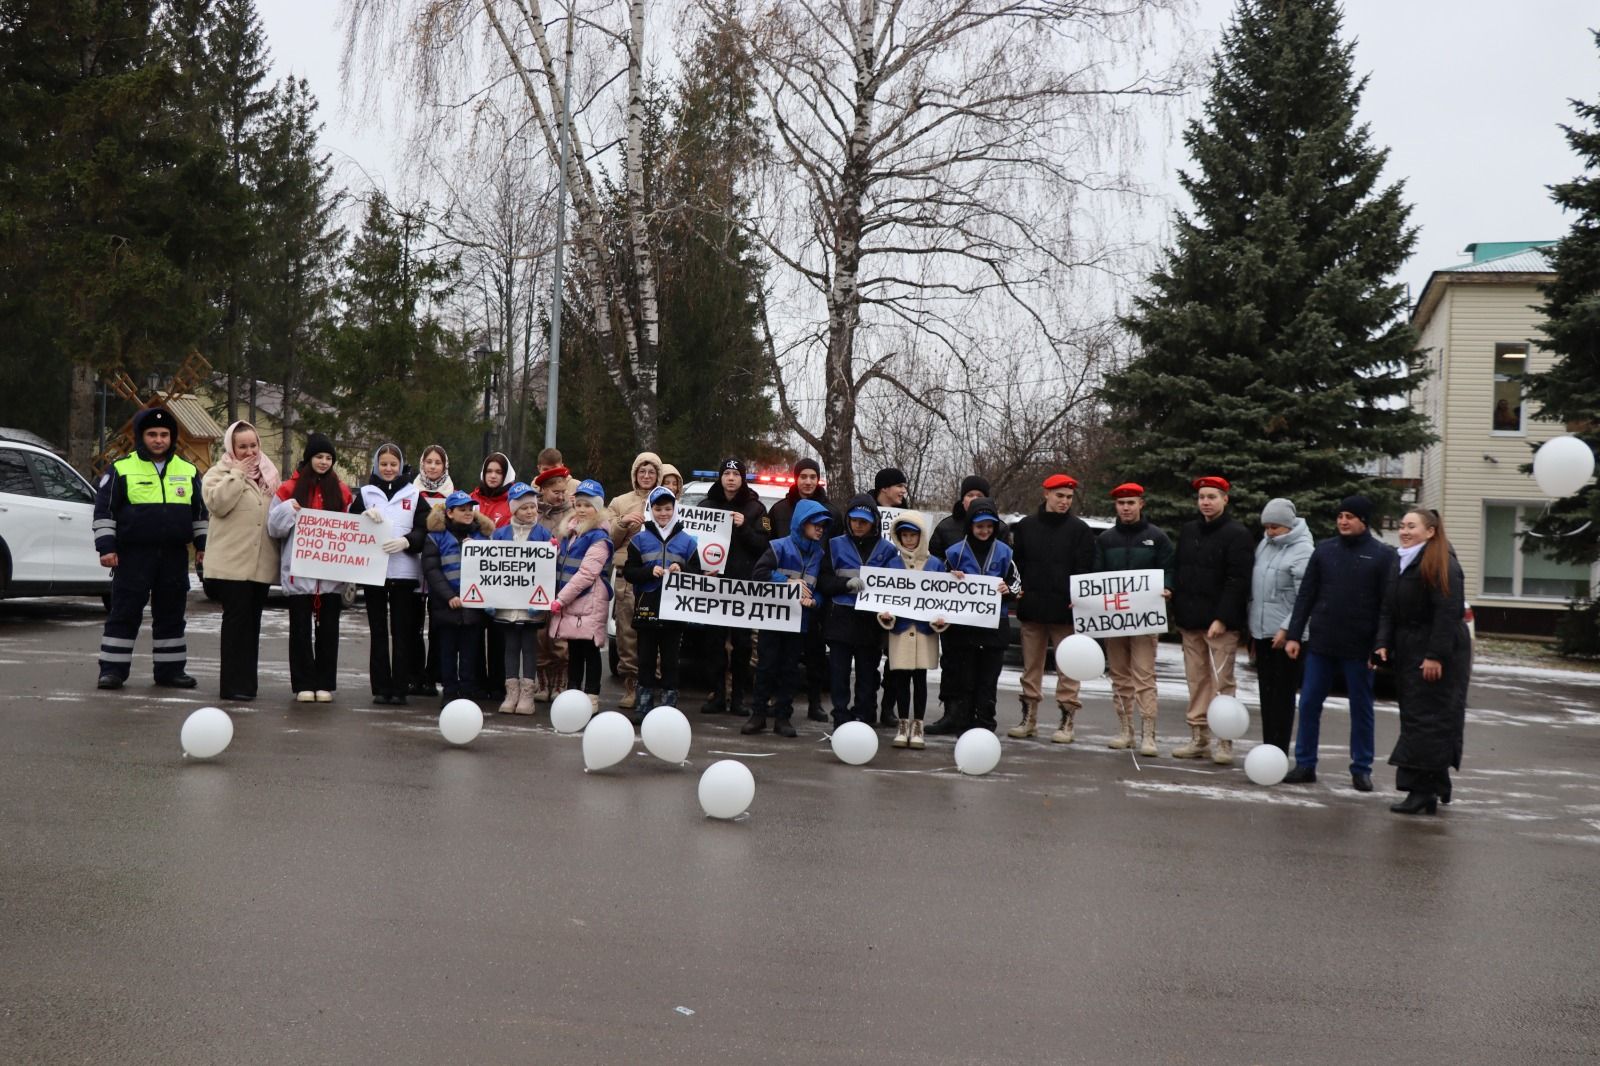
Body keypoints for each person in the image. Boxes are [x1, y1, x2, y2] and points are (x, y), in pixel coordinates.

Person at [1282, 495, 1397, 791]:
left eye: (1350, 516)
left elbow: (1387, 605)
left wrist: (1381, 643)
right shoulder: (1324, 550)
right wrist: (1295, 634)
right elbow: (1306, 595)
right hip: (1322, 643)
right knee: (1308, 704)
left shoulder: (1382, 555)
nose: (1343, 521)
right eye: (1340, 516)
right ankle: (1305, 763)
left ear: (1364, 521)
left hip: (1360, 648)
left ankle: (1361, 768)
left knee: (1361, 709)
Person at [94, 406, 208, 690]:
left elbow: (200, 515)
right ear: (140, 436)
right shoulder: (121, 468)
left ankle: (170, 671)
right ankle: (112, 670)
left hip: (173, 555)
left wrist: (203, 546)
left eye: (164, 434)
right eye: (152, 434)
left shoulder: (189, 470)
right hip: (133, 555)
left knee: (171, 614)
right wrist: (106, 547)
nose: (159, 440)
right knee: (124, 612)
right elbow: (104, 512)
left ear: (172, 438)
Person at [1375, 509, 1472, 815]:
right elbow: (1389, 608)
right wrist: (1382, 643)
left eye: (1411, 526)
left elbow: (1447, 614)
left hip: (1434, 653)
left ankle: (1421, 791)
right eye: (1402, 525)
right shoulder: (1402, 560)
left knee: (1428, 721)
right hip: (1409, 648)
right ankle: (1434, 787)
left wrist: (1435, 656)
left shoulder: (1442, 563)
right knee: (1418, 717)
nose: (1404, 531)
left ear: (1430, 532)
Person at [1170, 475, 1254, 763]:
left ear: (1225, 499)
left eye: (1212, 497)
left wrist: (1222, 617)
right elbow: (1180, 569)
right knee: (1197, 680)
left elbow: (1238, 580)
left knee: (1222, 682)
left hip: (1220, 625)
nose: (1206, 502)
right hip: (1190, 620)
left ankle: (1224, 740)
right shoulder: (1189, 530)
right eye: (1202, 497)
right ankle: (1198, 737)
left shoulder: (1237, 534)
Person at [1008, 474, 1096, 743]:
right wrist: (1017, 589)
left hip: (1065, 611)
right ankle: (1028, 719)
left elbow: (1085, 568)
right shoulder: (1026, 527)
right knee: (1031, 667)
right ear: (1046, 493)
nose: (1064, 502)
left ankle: (1067, 720)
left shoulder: (1080, 530)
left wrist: (1078, 596)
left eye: (1069, 497)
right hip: (1032, 608)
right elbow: (1017, 564)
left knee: (1068, 669)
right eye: (1059, 496)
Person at [267, 433, 353, 702]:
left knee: (329, 631)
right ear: (309, 458)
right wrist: (288, 510)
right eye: (319, 457)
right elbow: (274, 527)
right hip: (299, 573)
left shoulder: (341, 491)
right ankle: (303, 683)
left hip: (330, 576)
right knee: (300, 631)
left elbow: (351, 530)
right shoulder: (288, 489)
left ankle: (325, 682)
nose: (324, 462)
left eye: (328, 458)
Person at [1092, 483, 1174, 756]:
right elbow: (1095, 577)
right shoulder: (1106, 539)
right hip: (1114, 621)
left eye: (1130, 502)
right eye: (1121, 503)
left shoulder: (1157, 538)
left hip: (1145, 621)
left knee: (1144, 676)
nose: (1126, 508)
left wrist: (1168, 587)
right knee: (1119, 676)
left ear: (1141, 503)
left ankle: (1148, 734)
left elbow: (1170, 570)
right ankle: (1125, 730)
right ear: (1115, 506)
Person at [201, 420, 280, 701]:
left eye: (253, 445)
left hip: (260, 566)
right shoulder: (218, 473)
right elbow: (217, 504)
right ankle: (231, 685)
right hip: (231, 565)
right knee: (235, 625)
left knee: (252, 626)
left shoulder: (270, 474)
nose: (249, 451)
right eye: (242, 446)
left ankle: (247, 685)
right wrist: (236, 474)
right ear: (231, 447)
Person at [930, 498, 1018, 734]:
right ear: (970, 525)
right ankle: (963, 721)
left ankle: (986, 723)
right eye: (980, 526)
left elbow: (1017, 585)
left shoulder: (1005, 552)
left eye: (989, 526)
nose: (985, 531)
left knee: (988, 680)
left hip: (994, 627)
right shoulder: (955, 552)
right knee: (964, 678)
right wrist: (950, 576)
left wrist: (1007, 590)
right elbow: (938, 584)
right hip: (963, 628)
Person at [744, 499, 831, 737]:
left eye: (823, 525)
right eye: (816, 524)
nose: (820, 528)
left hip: (799, 623)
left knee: (789, 671)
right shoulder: (778, 547)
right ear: (802, 524)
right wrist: (787, 583)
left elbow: (820, 589)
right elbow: (759, 573)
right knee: (766, 668)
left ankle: (783, 717)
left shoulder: (820, 554)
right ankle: (758, 715)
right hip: (772, 620)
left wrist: (815, 602)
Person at [351, 444, 429, 706]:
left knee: (402, 631)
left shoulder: (414, 494)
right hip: (374, 572)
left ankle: (400, 687)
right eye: (383, 464)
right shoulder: (365, 492)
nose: (388, 469)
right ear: (376, 465)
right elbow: (350, 526)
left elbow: (425, 528)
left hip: (404, 572)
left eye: (393, 464)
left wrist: (408, 542)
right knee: (378, 631)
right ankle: (381, 687)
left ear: (401, 466)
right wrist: (361, 516)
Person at [767, 457, 841, 721]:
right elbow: (768, 545)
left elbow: (836, 550)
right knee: (779, 656)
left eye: (813, 476)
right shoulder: (778, 510)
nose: (808, 481)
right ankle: (776, 701)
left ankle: (814, 703)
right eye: (803, 476)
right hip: (781, 596)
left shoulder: (832, 512)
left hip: (814, 590)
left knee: (815, 651)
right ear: (795, 479)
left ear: (818, 479)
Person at [818, 493, 899, 727]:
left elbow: (896, 587)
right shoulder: (834, 545)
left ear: (874, 521)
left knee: (867, 674)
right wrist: (844, 584)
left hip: (870, 623)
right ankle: (840, 716)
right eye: (854, 520)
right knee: (838, 675)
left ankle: (865, 714)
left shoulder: (888, 550)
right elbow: (823, 580)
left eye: (864, 520)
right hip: (840, 621)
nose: (858, 524)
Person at [621, 486, 700, 722]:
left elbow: (696, 572)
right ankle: (643, 705)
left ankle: (669, 707)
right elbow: (629, 572)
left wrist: (682, 569)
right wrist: (648, 571)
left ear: (674, 509)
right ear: (651, 510)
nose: (663, 513)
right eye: (658, 508)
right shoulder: (639, 540)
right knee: (644, 658)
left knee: (670, 659)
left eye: (668, 508)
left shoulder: (687, 542)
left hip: (675, 609)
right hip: (647, 606)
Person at [698, 458, 770, 715]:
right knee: (714, 644)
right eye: (726, 473)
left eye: (735, 474)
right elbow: (694, 544)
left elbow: (765, 544)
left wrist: (744, 528)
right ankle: (718, 694)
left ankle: (738, 698)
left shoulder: (757, 509)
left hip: (743, 587)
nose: (730, 478)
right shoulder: (706, 505)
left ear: (742, 479)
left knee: (742, 646)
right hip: (714, 585)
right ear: (720, 478)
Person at [876, 511, 948, 749]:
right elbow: (884, 597)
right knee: (900, 679)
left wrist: (940, 620)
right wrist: (884, 615)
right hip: (900, 632)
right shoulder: (892, 564)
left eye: (913, 535)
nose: (908, 540)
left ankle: (918, 725)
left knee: (920, 679)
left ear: (921, 536)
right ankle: (902, 723)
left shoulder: (935, 564)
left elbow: (944, 600)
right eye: (904, 535)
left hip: (925, 632)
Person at [1247, 498, 1313, 752]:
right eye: (1267, 526)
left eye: (1275, 527)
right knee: (1267, 695)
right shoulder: (1265, 544)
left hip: (1287, 636)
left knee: (1282, 697)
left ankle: (1279, 749)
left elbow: (1304, 597)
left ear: (1288, 525)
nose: (1270, 531)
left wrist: (1287, 629)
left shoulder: (1303, 550)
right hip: (1262, 631)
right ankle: (1268, 746)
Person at [421, 490, 495, 703]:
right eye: (462, 509)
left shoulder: (483, 536)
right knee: (447, 652)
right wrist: (449, 596)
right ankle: (450, 692)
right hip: (446, 607)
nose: (468, 513)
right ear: (450, 513)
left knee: (470, 652)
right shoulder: (435, 537)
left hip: (473, 607)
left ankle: (468, 691)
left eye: (470, 509)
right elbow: (432, 571)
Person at [550, 479, 614, 712]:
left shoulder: (598, 538)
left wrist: (560, 599)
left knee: (590, 648)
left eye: (588, 505)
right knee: (574, 648)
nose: (582, 509)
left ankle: (591, 696)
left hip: (589, 600)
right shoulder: (570, 533)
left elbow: (586, 574)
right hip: (572, 600)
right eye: (579, 504)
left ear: (597, 508)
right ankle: (574, 694)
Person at [607, 451, 663, 711]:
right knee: (627, 633)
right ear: (634, 474)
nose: (647, 476)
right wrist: (623, 523)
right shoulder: (620, 502)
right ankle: (631, 684)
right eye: (642, 471)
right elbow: (608, 540)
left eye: (652, 472)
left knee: (656, 632)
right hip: (627, 576)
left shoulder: (666, 501)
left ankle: (652, 685)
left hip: (658, 576)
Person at [490, 482, 552, 714]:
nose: (530, 512)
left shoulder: (544, 534)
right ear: (514, 509)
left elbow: (548, 570)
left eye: (533, 507)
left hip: (531, 605)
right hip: (506, 604)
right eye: (524, 508)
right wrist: (490, 599)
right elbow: (490, 569)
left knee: (529, 646)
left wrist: (542, 600)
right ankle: (511, 691)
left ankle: (528, 692)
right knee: (510, 646)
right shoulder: (500, 534)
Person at [531, 463, 573, 701]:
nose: (560, 496)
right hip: (536, 582)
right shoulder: (533, 513)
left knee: (559, 634)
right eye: (555, 492)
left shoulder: (572, 514)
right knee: (539, 632)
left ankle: (560, 678)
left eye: (562, 492)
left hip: (561, 581)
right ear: (544, 490)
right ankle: (542, 679)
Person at [929, 474, 991, 561]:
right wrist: (949, 571)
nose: (975, 499)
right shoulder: (944, 528)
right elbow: (934, 561)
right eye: (970, 495)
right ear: (962, 500)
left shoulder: (999, 528)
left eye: (980, 496)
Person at [470, 452, 517, 529]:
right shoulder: (471, 498)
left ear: (506, 476)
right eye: (489, 471)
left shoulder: (514, 502)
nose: (493, 476)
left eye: (499, 472)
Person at [414, 444, 454, 513]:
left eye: (438, 463)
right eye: (429, 462)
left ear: (445, 466)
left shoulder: (453, 495)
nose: (433, 466)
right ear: (422, 464)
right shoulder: (412, 492)